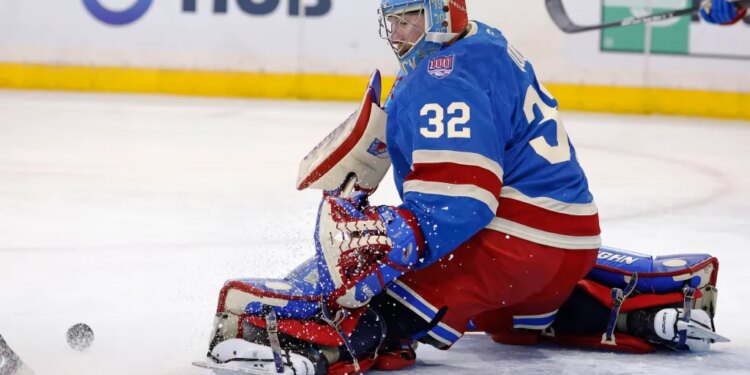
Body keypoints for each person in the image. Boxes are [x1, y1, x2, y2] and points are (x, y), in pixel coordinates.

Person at [199, 1, 726, 374]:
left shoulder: (441, 79)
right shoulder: (482, 40)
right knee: (503, 320)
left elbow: (460, 205)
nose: (400, 33)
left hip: (511, 246)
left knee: (380, 299)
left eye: (411, 19)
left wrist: (384, 239)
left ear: (441, 15)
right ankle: (631, 307)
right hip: (566, 244)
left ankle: (309, 344)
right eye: (394, 21)